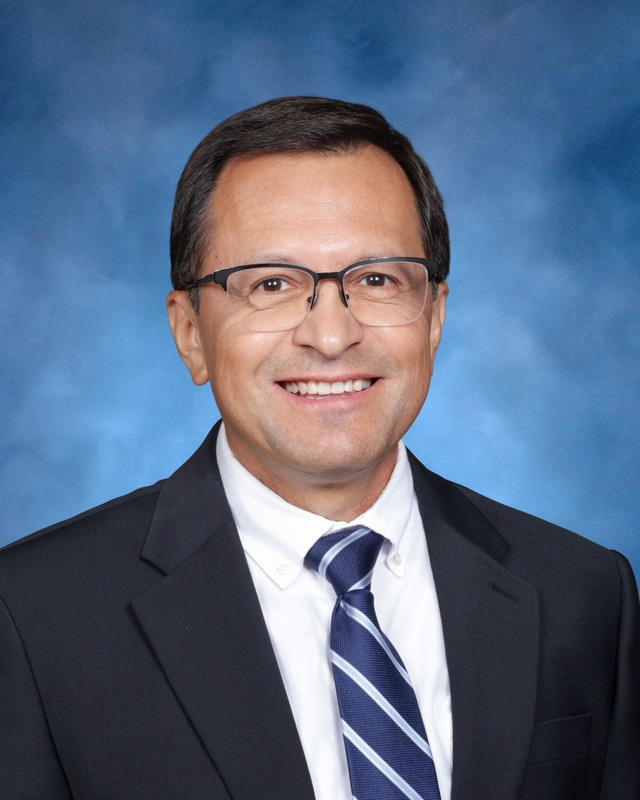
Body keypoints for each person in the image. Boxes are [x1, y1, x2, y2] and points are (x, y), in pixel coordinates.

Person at [0, 96, 638, 800]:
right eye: (272, 284)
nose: (331, 337)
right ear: (190, 333)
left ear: (433, 319)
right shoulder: (32, 618)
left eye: (376, 280)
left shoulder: (584, 593)